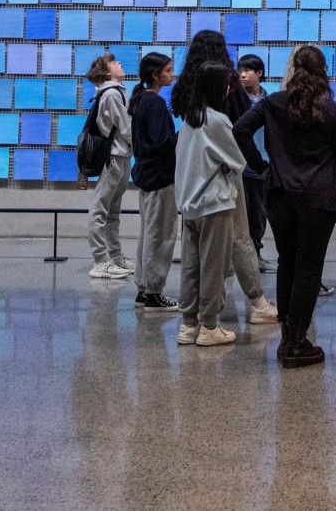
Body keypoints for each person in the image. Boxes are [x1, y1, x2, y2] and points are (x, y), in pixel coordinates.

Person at [235, 44, 336, 369]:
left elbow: (240, 129)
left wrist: (261, 165)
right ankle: (297, 343)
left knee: (287, 263)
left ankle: (288, 338)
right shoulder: (333, 111)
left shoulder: (273, 103)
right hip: (319, 197)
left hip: (278, 194)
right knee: (308, 268)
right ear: (323, 72)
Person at [170, 56, 279, 337]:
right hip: (215, 204)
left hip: (189, 204)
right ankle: (208, 326)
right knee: (213, 268)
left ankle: (188, 324)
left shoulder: (189, 120)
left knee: (191, 267)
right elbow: (237, 161)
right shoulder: (218, 120)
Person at [129, 51, 180, 313]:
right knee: (161, 235)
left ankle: (143, 289)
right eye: (169, 70)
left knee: (149, 234)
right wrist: (186, 134)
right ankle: (153, 293)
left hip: (147, 175)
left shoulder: (140, 100)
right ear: (155, 75)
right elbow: (164, 143)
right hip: (160, 178)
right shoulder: (155, 104)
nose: (173, 74)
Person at [82, 54, 134, 281]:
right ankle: (101, 261)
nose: (119, 63)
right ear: (106, 73)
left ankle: (115, 257)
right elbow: (126, 127)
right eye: (114, 63)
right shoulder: (112, 94)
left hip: (120, 157)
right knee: (100, 210)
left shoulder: (117, 91)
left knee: (112, 211)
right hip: (113, 158)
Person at [235, 52, 271, 270]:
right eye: (240, 70)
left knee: (258, 214)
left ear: (259, 73)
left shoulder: (269, 101)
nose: (242, 75)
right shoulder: (236, 100)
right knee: (239, 215)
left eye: (247, 70)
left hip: (262, 164)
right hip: (238, 165)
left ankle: (255, 254)